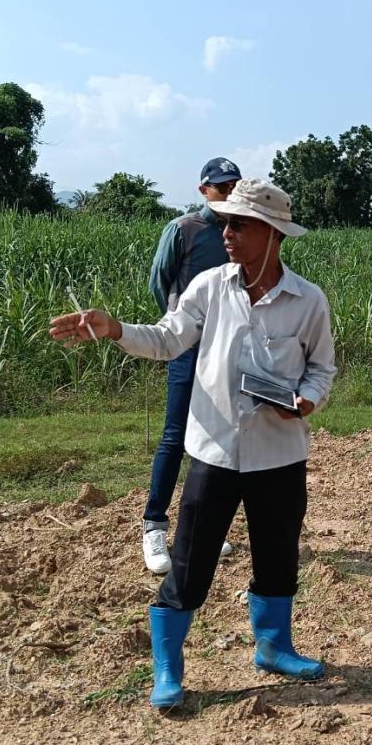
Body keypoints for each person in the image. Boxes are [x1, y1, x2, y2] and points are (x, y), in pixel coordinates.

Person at [49, 178, 336, 709]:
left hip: (280, 453)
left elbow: (321, 367)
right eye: (225, 222)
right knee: (190, 560)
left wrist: (307, 401)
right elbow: (167, 338)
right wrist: (114, 329)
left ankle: (274, 648)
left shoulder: (307, 301)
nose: (226, 233)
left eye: (239, 224)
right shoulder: (209, 287)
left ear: (272, 234)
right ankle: (168, 667)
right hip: (215, 453)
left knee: (276, 555)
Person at [141, 157, 241, 575]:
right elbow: (158, 282)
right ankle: (154, 527)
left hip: (226, 349)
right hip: (186, 347)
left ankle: (200, 529)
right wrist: (176, 328)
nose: (230, 193)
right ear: (204, 190)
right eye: (222, 187)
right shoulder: (183, 229)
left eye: (235, 185)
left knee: (216, 437)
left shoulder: (240, 231)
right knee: (174, 435)